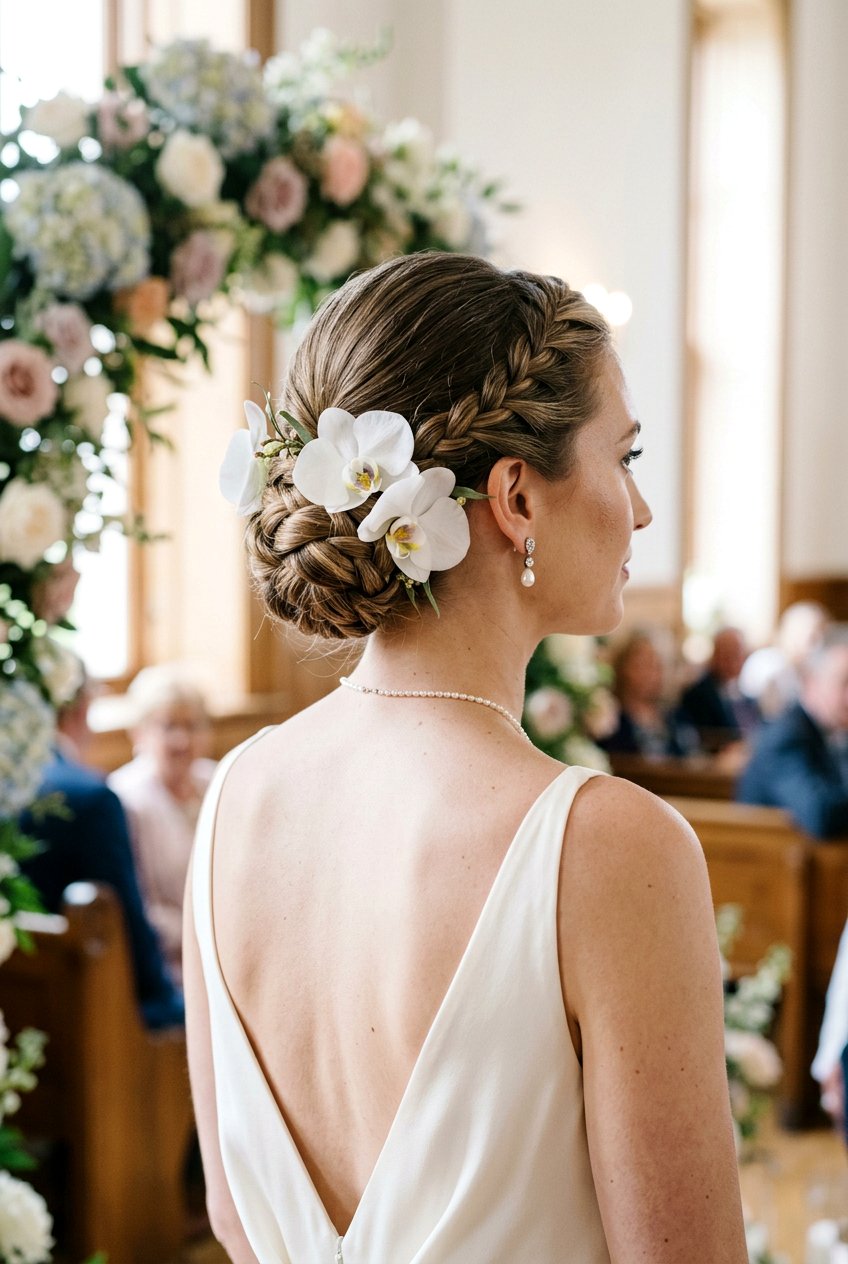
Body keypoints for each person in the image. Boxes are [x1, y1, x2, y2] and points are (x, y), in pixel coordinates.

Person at [185, 253, 747, 1263]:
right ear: (516, 497)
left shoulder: (237, 796)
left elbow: (233, 1217)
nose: (641, 510)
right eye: (624, 456)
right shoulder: (607, 845)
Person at [20, 659, 183, 1030]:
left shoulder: (13, 783)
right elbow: (130, 935)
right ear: (81, 709)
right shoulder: (91, 799)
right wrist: (172, 1006)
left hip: (25, 1002)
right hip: (91, 1021)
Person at [109, 665, 215, 985]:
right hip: (169, 964)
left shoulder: (216, 779)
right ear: (139, 732)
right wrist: (208, 939)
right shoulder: (127, 799)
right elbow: (141, 908)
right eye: (169, 726)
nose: (182, 739)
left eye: (192, 726)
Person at [736, 633, 848, 838]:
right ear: (811, 682)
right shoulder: (786, 736)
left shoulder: (830, 730)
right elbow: (821, 814)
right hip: (763, 861)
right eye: (844, 682)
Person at [600, 628, 699, 758]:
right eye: (642, 664)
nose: (650, 674)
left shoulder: (675, 716)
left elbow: (691, 758)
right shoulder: (607, 717)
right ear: (623, 666)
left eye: (657, 666)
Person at [739, 601, 831, 720]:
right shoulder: (766, 664)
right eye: (813, 636)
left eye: (823, 634)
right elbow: (769, 716)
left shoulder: (807, 667)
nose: (819, 642)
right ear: (793, 631)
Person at [676, 626, 760, 755]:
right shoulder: (698, 695)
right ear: (715, 655)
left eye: (736, 653)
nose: (731, 660)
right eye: (726, 653)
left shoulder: (748, 697)